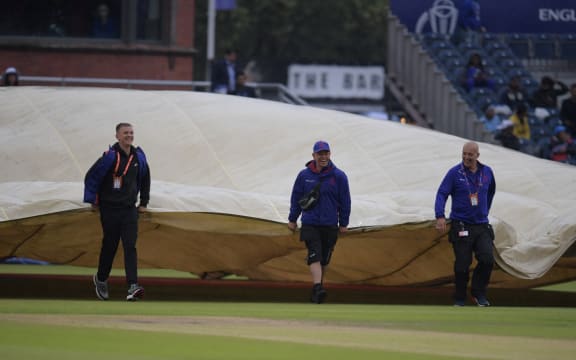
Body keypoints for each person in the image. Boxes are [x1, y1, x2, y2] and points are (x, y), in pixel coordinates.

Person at [84, 123, 151, 301]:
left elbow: (145, 179)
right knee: (110, 246)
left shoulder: (139, 157)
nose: (129, 136)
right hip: (109, 208)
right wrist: (93, 200)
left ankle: (132, 286)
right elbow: (92, 177)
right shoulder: (109, 157)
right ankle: (101, 278)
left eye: (131, 133)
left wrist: (144, 202)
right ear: (117, 136)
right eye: (125, 133)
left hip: (129, 209)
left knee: (130, 246)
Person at [288, 141, 351, 304]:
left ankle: (318, 289)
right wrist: (292, 219)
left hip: (330, 224)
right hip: (310, 222)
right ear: (313, 156)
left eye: (326, 153)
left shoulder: (339, 176)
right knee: (314, 254)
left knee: (324, 258)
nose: (323, 157)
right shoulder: (304, 175)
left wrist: (344, 223)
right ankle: (317, 287)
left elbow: (345, 201)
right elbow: (296, 198)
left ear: (330, 155)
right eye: (320, 154)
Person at [435, 141, 496, 307]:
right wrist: (440, 215)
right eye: (464, 154)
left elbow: (490, 192)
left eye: (470, 154)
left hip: (482, 225)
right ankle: (460, 298)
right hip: (461, 224)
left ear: (477, 155)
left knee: (488, 259)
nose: (467, 157)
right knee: (462, 264)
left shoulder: (487, 172)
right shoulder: (455, 173)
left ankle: (479, 293)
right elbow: (442, 193)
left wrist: (484, 210)